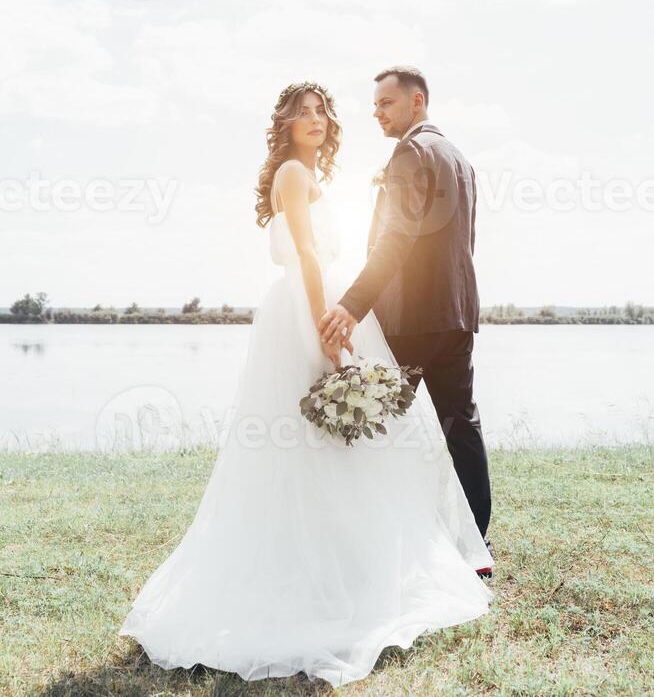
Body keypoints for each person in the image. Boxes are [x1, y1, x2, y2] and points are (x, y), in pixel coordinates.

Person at [119, 80, 493, 689]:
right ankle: (309, 566)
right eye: (303, 113)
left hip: (326, 309)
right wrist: (329, 326)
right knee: (309, 436)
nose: (315, 120)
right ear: (285, 125)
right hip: (305, 312)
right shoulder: (293, 176)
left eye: (322, 111)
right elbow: (310, 257)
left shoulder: (321, 176)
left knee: (340, 441)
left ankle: (349, 558)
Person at [320, 66, 493, 549]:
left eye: (386, 103)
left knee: (376, 424)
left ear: (417, 102)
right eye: (374, 104)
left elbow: (395, 240)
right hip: (457, 313)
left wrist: (352, 306)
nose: (376, 112)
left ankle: (374, 536)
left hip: (413, 319)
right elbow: (468, 240)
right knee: (461, 423)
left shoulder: (411, 153)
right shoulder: (458, 157)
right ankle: (474, 540)